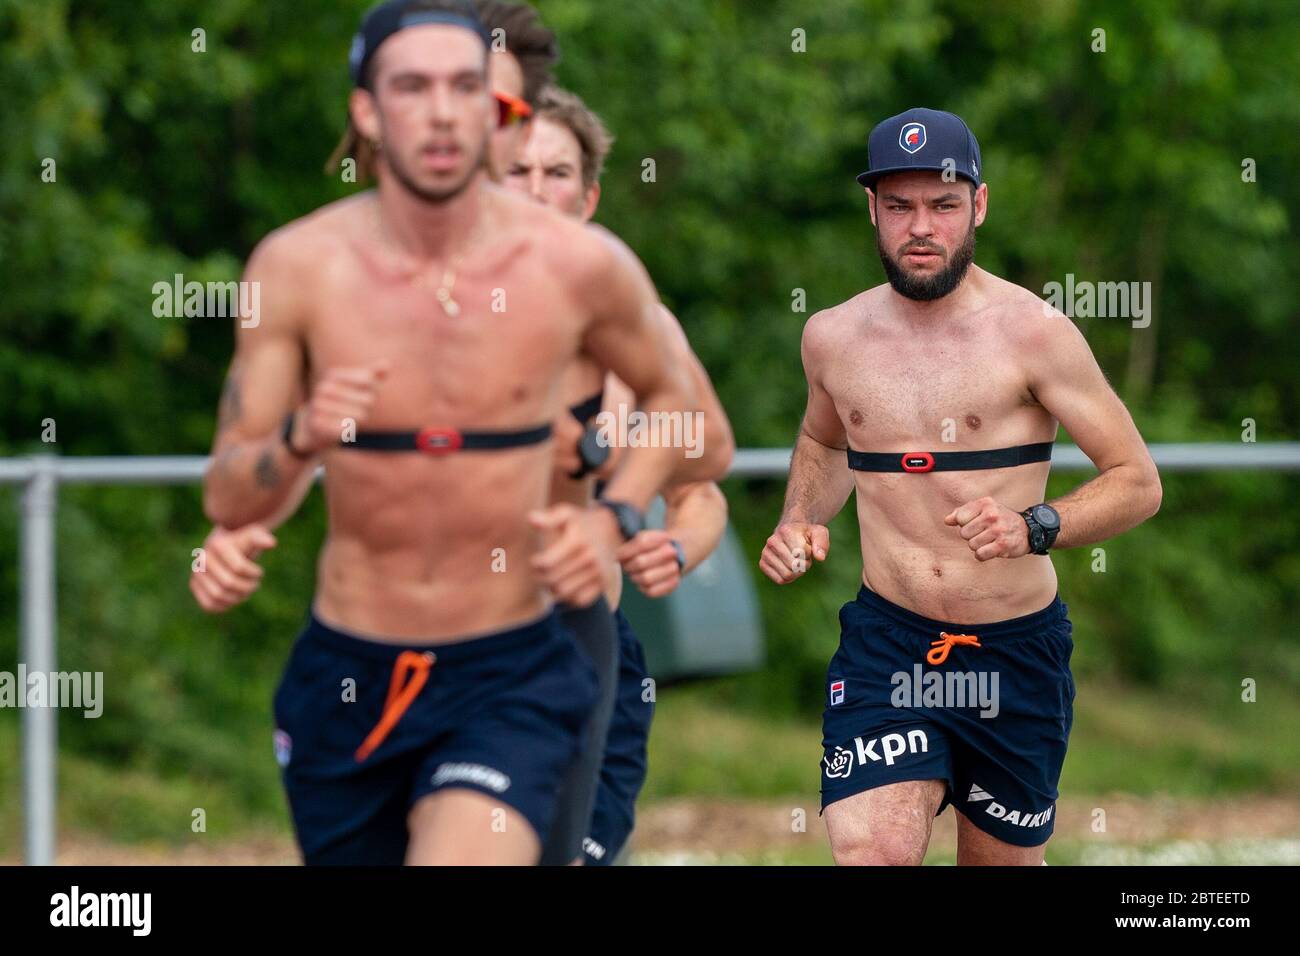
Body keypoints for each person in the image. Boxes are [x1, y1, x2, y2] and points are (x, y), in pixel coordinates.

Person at [200, 0, 727, 866]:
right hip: (353, 666)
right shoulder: (298, 269)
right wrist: (297, 441)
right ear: (369, 113)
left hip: (522, 658)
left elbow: (694, 432)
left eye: (466, 90)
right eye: (413, 88)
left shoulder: (582, 272)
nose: (444, 113)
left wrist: (615, 513)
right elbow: (229, 490)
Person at [760, 107, 1162, 865]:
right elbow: (824, 440)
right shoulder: (832, 337)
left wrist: (1034, 525)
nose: (922, 226)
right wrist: (800, 518)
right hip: (888, 646)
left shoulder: (1035, 333)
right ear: (872, 210)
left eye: (943, 205)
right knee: (873, 850)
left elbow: (1137, 482)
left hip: (1015, 652)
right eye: (901, 205)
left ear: (978, 205)